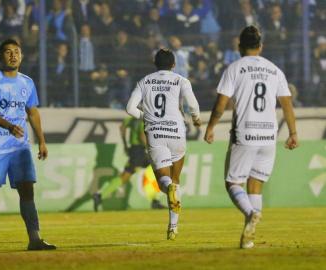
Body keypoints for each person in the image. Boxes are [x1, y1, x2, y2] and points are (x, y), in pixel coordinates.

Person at [204, 25, 298, 249]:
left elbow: (221, 104)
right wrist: (293, 132)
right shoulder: (275, 70)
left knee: (232, 182)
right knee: (255, 185)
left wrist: (211, 127)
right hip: (268, 136)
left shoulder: (234, 68)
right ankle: (249, 239)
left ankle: (251, 213)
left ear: (239, 47)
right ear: (261, 46)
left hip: (245, 133)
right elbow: (287, 103)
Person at [0, 39, 56, 251]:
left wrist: (42, 141)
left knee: (27, 191)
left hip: (20, 147)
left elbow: (33, 112)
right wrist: (9, 126)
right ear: (1, 57)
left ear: (22, 56)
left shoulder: (27, 82)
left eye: (17, 52)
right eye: (8, 52)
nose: (13, 55)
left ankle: (34, 239)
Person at [126, 48, 201, 240]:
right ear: (173, 64)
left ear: (155, 64)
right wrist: (196, 118)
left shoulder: (144, 81)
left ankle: (169, 188)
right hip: (177, 132)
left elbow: (129, 108)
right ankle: (173, 227)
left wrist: (146, 117)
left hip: (156, 133)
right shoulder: (181, 80)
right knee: (175, 182)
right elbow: (193, 104)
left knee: (164, 184)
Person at [92, 116, 166, 212]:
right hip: (140, 151)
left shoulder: (131, 118)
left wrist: (125, 144)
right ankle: (154, 201)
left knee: (126, 176)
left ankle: (99, 196)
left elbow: (122, 128)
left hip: (134, 150)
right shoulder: (144, 119)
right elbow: (142, 135)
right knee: (155, 170)